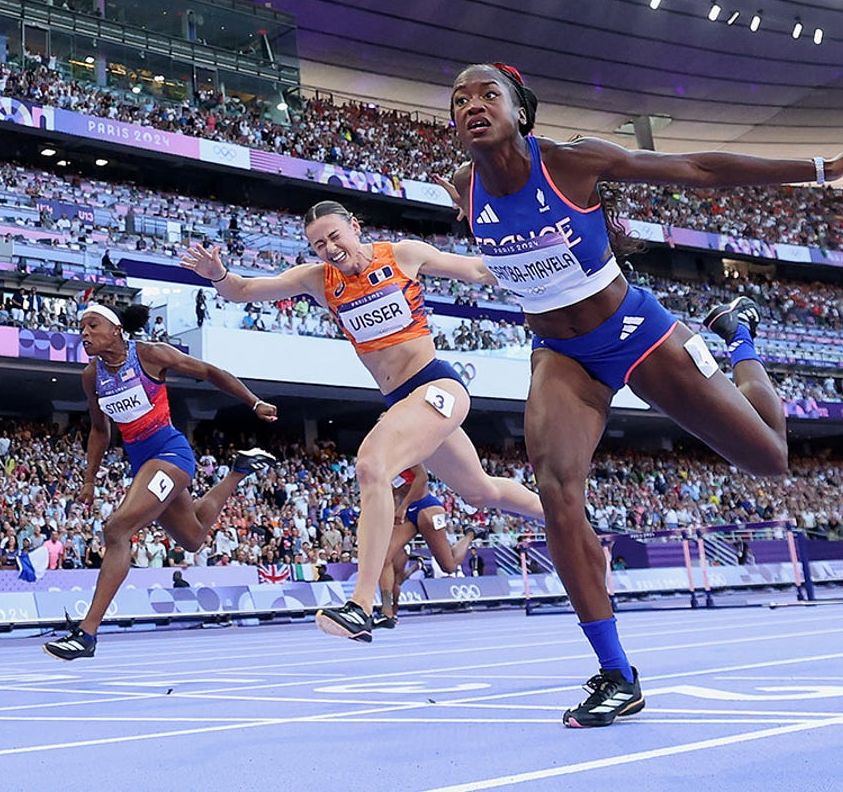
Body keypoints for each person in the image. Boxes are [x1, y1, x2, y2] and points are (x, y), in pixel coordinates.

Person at [436, 62, 843, 727]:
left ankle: (740, 338)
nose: (473, 105)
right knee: (558, 492)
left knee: (771, 458)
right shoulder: (463, 188)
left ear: (520, 110)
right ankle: (617, 674)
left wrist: (823, 168)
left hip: (635, 331)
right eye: (460, 100)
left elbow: (699, 168)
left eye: (487, 95)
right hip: (561, 355)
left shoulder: (570, 163)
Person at [182, 202, 544, 644]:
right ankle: (562, 513)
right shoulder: (317, 279)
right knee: (480, 491)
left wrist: (533, 249)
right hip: (403, 401)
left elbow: (476, 270)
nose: (330, 248)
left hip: (438, 387)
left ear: (356, 227)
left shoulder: (403, 254)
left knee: (372, 465)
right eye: (318, 244)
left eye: (335, 236)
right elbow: (243, 290)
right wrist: (218, 274)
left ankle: (361, 604)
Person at [43, 303, 278, 660]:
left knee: (116, 530)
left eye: (92, 326)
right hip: (143, 464)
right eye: (81, 329)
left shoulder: (150, 355)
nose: (84, 334)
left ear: (116, 330)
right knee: (193, 538)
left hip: (171, 454)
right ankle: (238, 471)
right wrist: (89, 480)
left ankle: (86, 633)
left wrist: (254, 401)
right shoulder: (92, 376)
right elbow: (98, 429)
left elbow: (210, 371)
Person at [373, 465, 478, 629]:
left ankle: (470, 534)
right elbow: (394, 492)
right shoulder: (384, 463)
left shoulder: (405, 452)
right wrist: (394, 511)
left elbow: (423, 478)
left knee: (448, 566)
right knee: (384, 557)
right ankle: (386, 612)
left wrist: (403, 507)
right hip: (408, 514)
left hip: (427, 508)